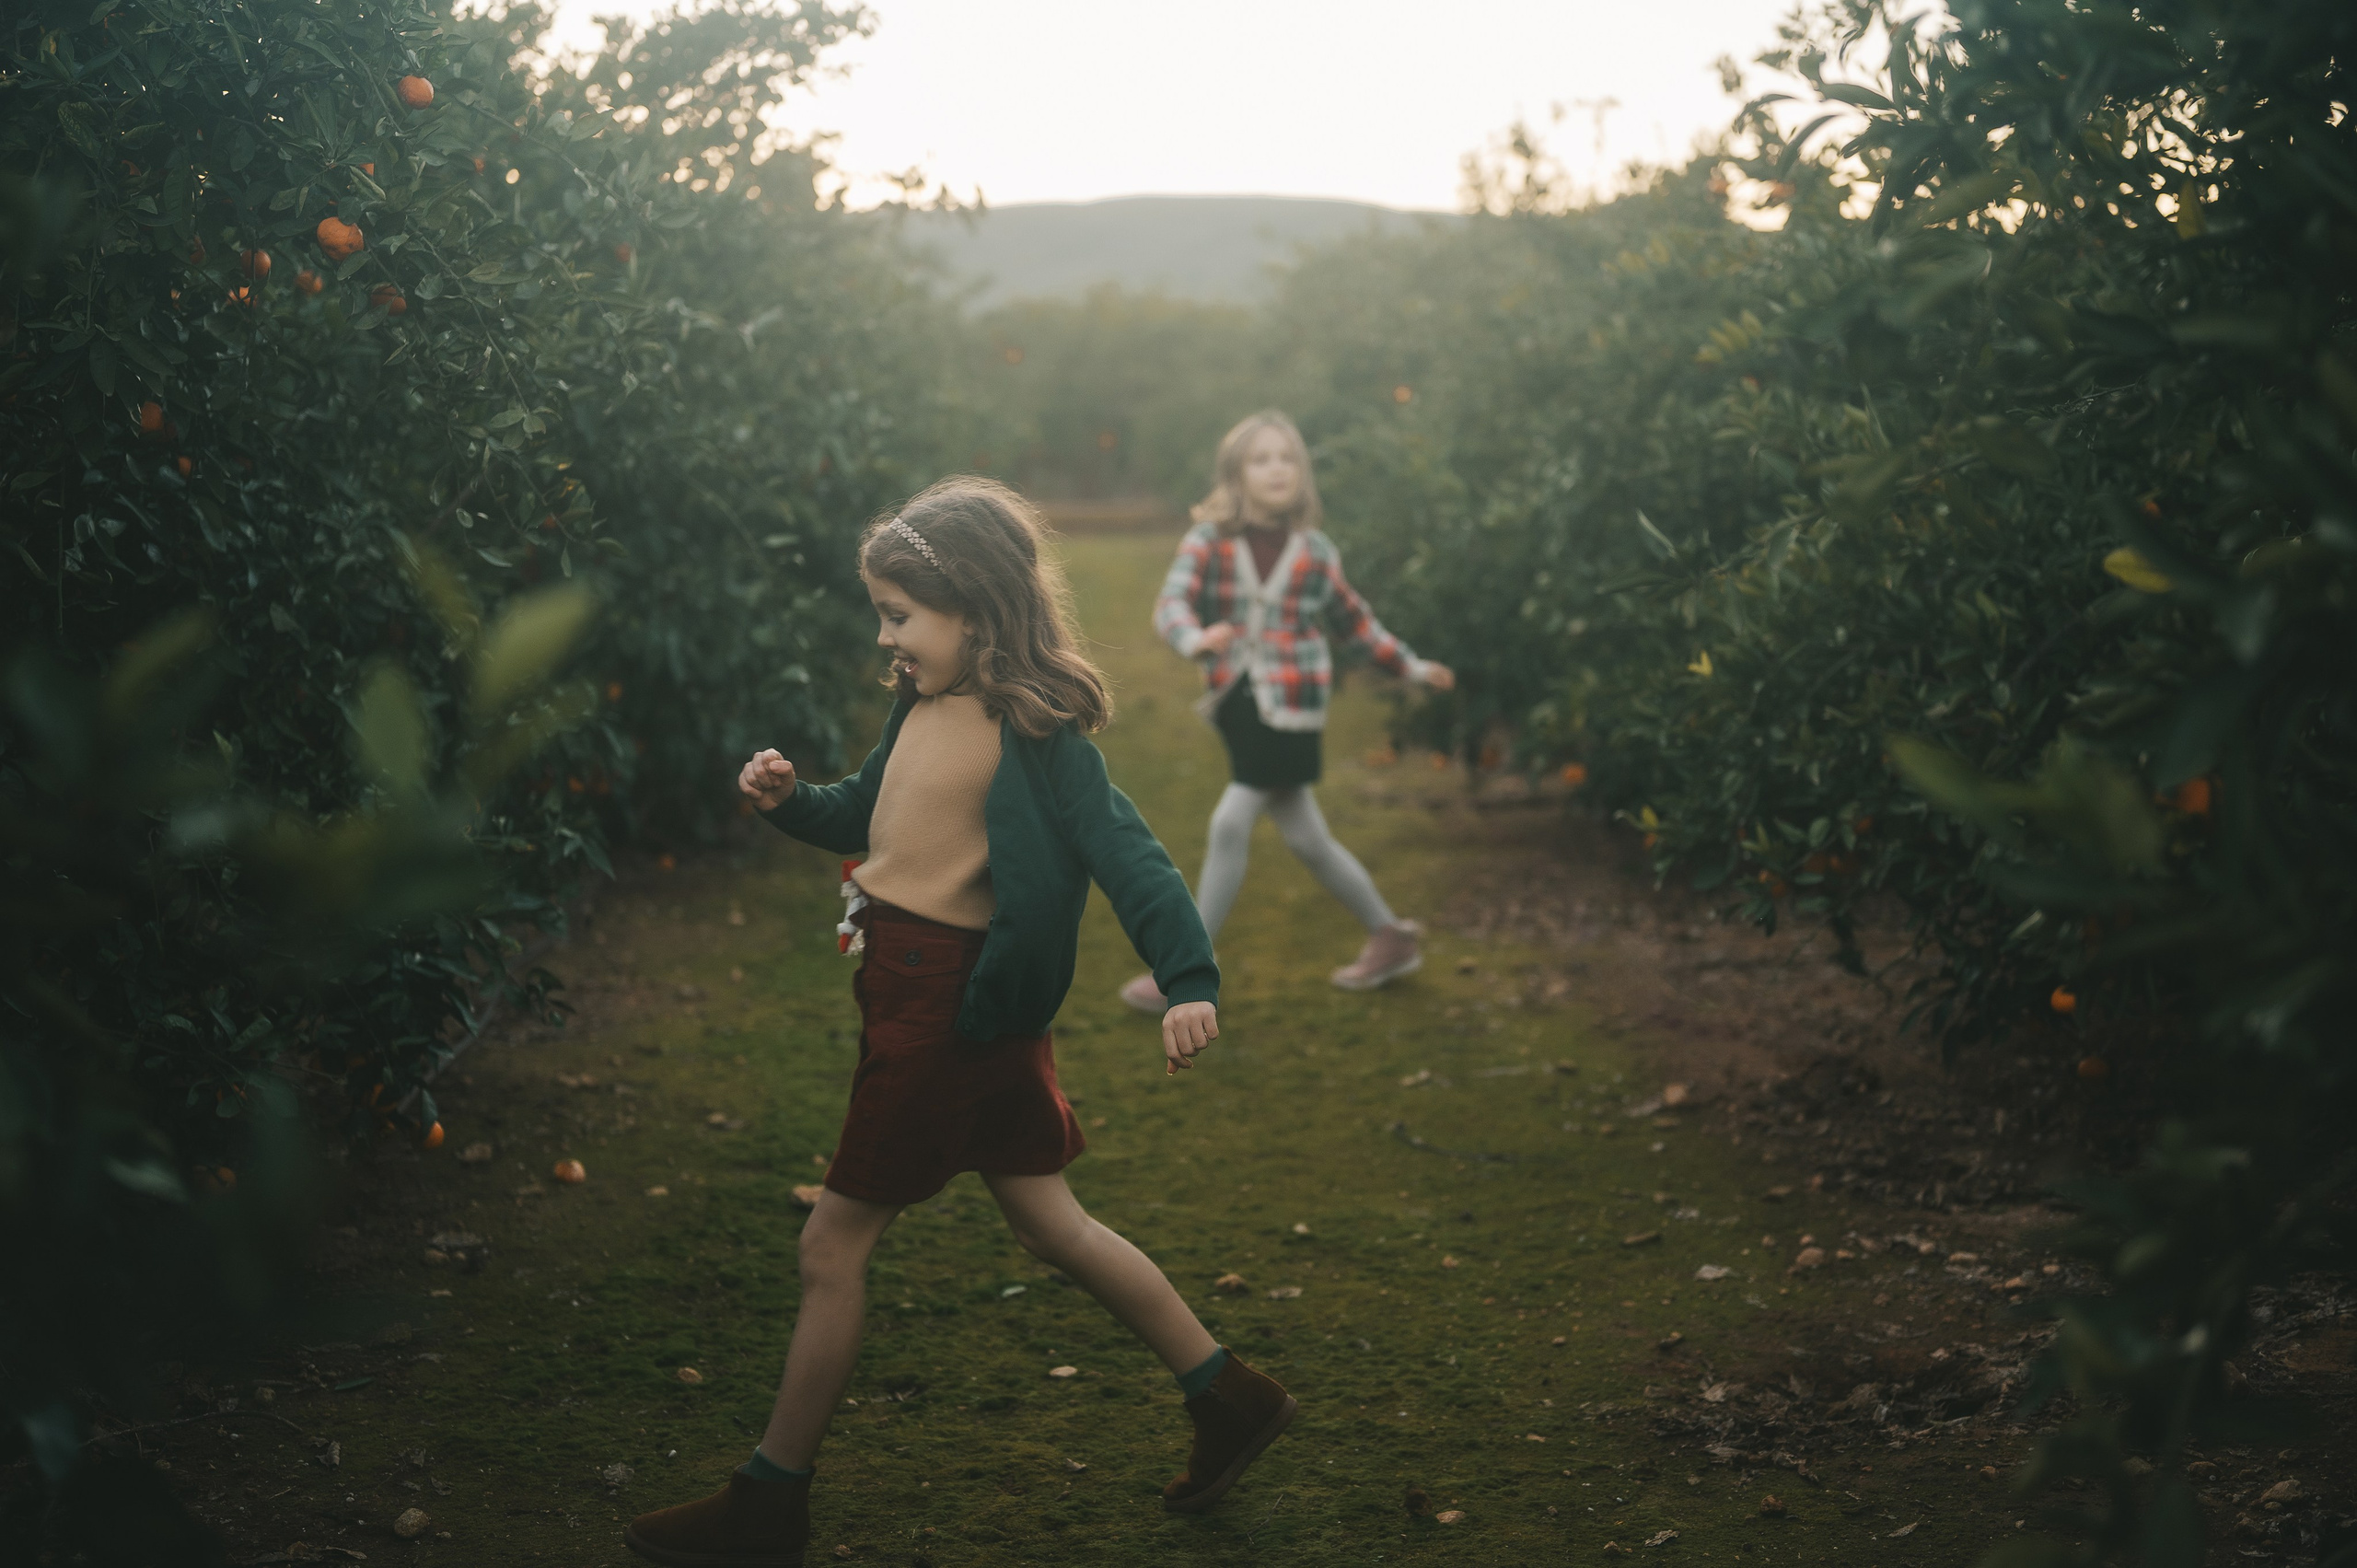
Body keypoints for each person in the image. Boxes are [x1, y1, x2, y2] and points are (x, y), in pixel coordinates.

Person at [621, 478, 1295, 1568]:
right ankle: (1228, 1395)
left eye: (899, 615)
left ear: (974, 608)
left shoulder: (1038, 735)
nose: (885, 637)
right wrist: (792, 799)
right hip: (914, 989)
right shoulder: (919, 706)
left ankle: (767, 1502)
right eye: (881, 614)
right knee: (1051, 1222)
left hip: (950, 1010)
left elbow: (1130, 856)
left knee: (831, 1242)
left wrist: (1187, 980)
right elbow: (872, 814)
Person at [1120, 410, 1455, 1010]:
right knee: (1306, 837)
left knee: (1231, 821)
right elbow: (1171, 603)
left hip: (1294, 703)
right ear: (1236, 475)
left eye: (1287, 459)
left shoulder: (1316, 552)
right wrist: (1195, 639)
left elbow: (1356, 624)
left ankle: (1186, 968)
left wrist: (1410, 666)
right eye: (1261, 459)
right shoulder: (1209, 540)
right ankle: (1390, 936)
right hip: (1240, 700)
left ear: (1301, 473)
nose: (1276, 469)